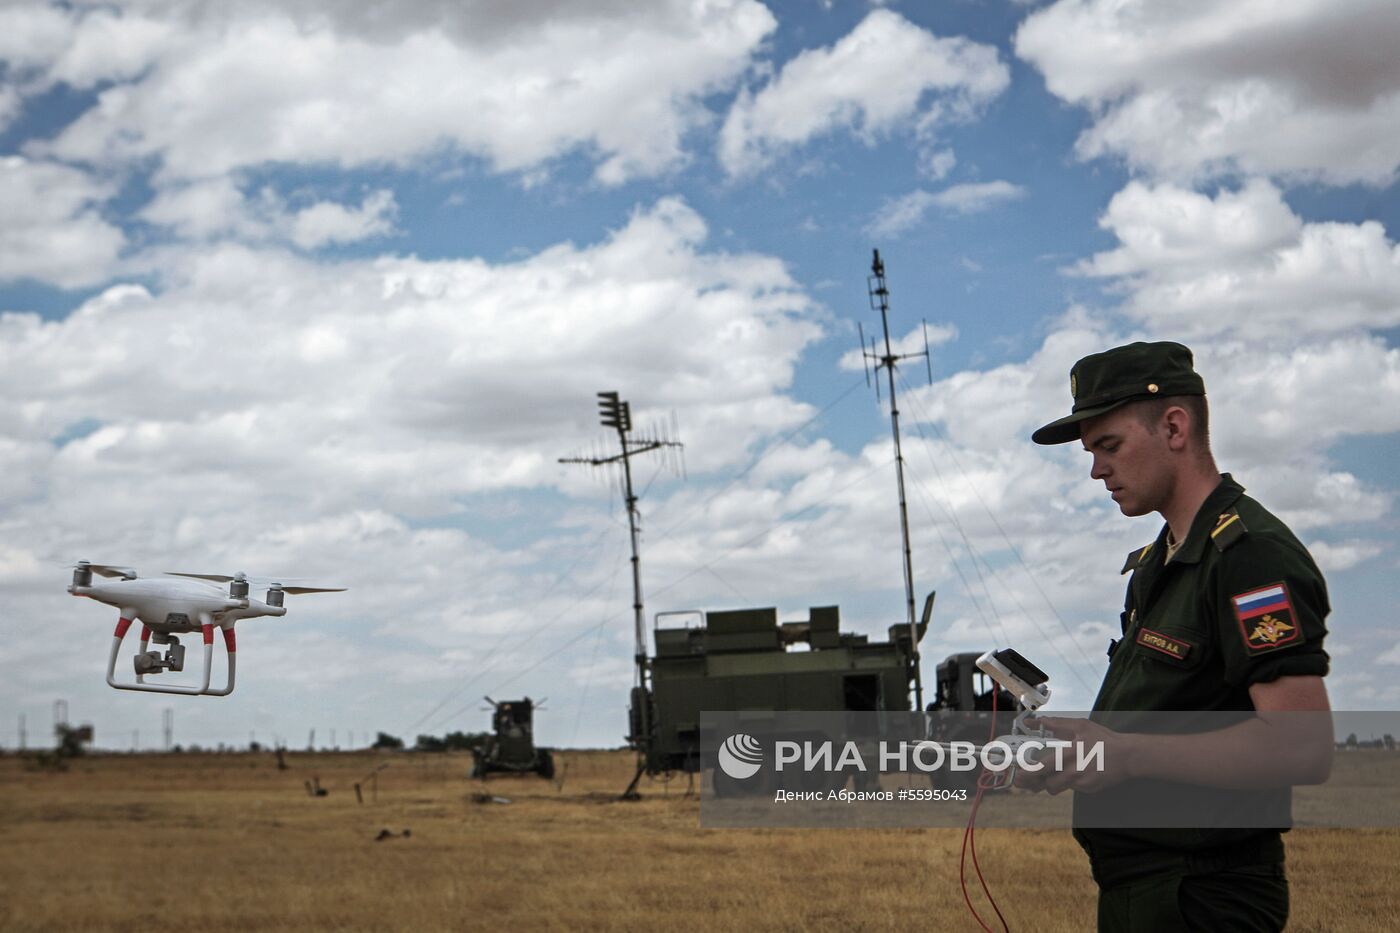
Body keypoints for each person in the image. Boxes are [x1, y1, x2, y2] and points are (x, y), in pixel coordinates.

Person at [1021, 341, 1333, 932]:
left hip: (1202, 898)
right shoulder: (1158, 564)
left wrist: (1124, 752)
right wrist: (1085, 750)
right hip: (1147, 892)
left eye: (1108, 446)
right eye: (1091, 452)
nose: (1096, 470)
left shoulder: (1249, 557)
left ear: (1174, 426)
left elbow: (1302, 748)